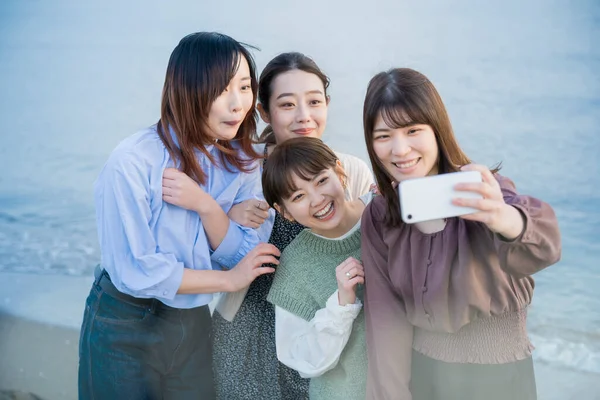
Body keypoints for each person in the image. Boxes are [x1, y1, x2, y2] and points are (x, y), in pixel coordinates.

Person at [78, 32, 278, 400]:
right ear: (187, 91)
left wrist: (209, 207)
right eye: (221, 90)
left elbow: (245, 252)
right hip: (124, 322)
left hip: (192, 320)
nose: (238, 105)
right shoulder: (133, 162)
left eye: (245, 87)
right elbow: (137, 269)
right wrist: (229, 281)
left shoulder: (244, 162)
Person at [360, 67, 562, 400]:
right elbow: (385, 321)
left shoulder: (483, 191)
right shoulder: (381, 216)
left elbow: (546, 247)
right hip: (423, 377)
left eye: (413, 130)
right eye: (383, 136)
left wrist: (501, 217)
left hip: (497, 380)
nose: (399, 149)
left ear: (437, 129)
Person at [212, 52, 374, 400]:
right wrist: (224, 218)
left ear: (327, 104)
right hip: (248, 332)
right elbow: (199, 254)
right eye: (287, 105)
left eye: (314, 101)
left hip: (332, 333)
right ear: (264, 112)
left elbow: (373, 245)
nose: (304, 116)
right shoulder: (239, 170)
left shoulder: (349, 169)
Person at [263, 137, 370, 400]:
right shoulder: (294, 267)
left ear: (340, 172)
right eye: (298, 196)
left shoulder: (382, 214)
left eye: (321, 180)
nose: (317, 199)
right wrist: (341, 304)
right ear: (284, 211)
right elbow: (300, 358)